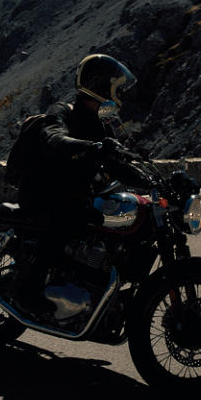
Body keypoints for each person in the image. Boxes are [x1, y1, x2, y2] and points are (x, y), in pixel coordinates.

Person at [14, 53, 137, 313]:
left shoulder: (100, 127)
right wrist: (93, 147)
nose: (119, 92)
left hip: (75, 195)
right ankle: (28, 291)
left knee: (107, 222)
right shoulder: (62, 111)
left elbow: (117, 163)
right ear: (99, 84)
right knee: (67, 219)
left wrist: (150, 178)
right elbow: (53, 137)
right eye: (114, 85)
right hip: (42, 193)